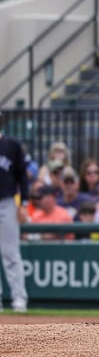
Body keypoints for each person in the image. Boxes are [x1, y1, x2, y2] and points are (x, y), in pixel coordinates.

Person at [0, 133, 29, 313]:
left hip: (7, 202)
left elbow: (22, 176)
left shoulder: (11, 144)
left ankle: (19, 298)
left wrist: (24, 203)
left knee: (10, 252)